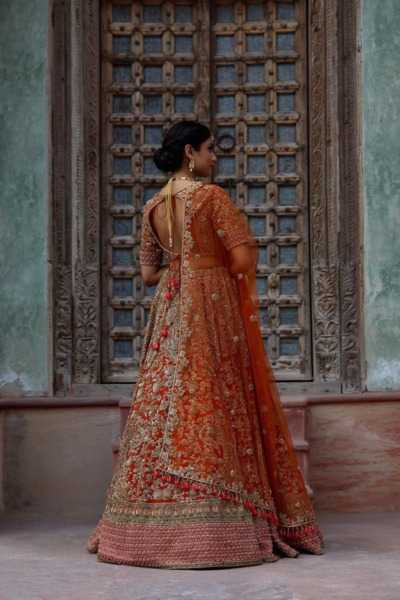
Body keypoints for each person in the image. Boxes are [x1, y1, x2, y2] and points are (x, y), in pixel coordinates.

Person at [87, 121, 323, 568]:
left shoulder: (152, 207)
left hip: (170, 307)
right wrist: (218, 264)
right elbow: (242, 256)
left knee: (165, 400)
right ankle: (220, 527)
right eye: (211, 150)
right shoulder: (211, 196)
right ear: (190, 152)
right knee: (216, 395)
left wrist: (183, 262)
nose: (215, 158)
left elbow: (148, 275)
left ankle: (136, 529)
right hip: (209, 303)